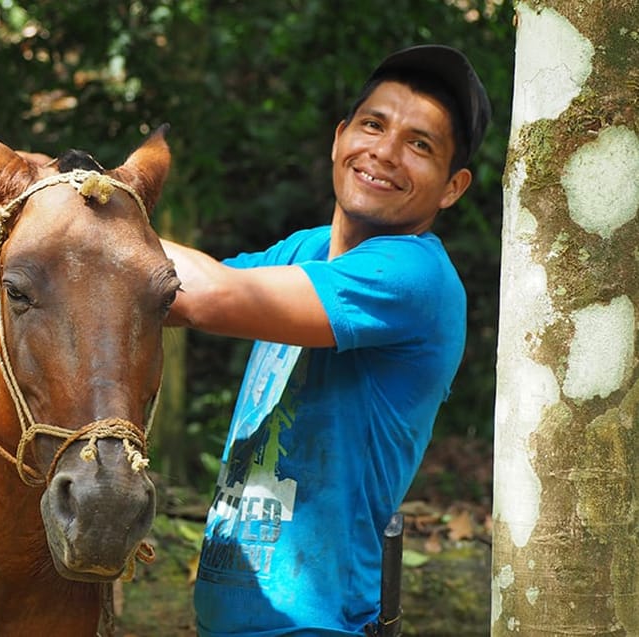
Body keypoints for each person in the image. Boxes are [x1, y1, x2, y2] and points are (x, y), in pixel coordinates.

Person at [160, 45, 491, 635]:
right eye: (373, 124)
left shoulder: (414, 277)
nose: (385, 152)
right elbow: (173, 295)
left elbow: (209, 296)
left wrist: (77, 200)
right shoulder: (304, 251)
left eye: (420, 145)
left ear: (452, 187)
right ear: (340, 139)